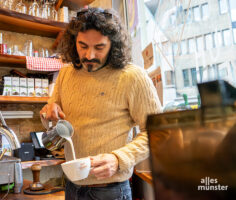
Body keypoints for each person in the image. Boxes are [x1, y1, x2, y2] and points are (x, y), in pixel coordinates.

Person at [40, 7, 162, 200]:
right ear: (74, 42)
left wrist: (118, 159)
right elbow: (51, 116)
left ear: (113, 44)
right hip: (72, 187)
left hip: (110, 190)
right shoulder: (65, 74)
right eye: (82, 46)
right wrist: (48, 112)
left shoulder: (132, 77)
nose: (89, 55)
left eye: (99, 47)